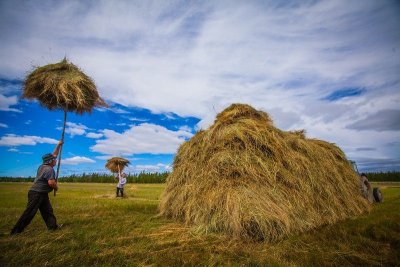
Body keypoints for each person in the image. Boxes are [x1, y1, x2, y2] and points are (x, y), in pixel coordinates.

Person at [10, 140, 64, 235]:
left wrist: (58, 145)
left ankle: (53, 227)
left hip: (41, 193)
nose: (56, 160)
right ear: (51, 161)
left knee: (47, 211)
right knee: (30, 212)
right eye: (54, 159)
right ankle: (16, 231)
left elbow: (55, 154)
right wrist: (56, 187)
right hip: (37, 193)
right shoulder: (49, 169)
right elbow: (51, 183)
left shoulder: (42, 166)